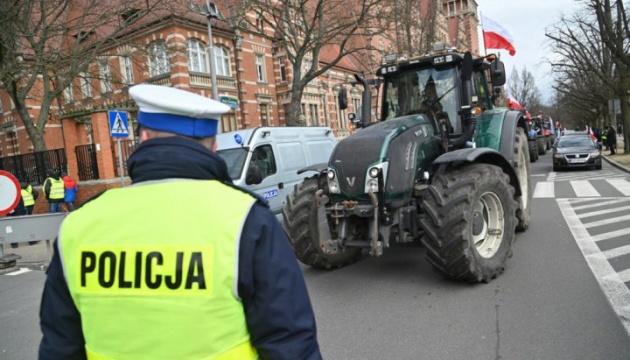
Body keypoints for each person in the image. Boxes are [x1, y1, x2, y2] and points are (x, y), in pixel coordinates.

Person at [39, 84, 321, 360]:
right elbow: (290, 343)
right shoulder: (246, 220)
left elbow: (59, 346)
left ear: (145, 138)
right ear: (213, 148)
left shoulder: (79, 226)